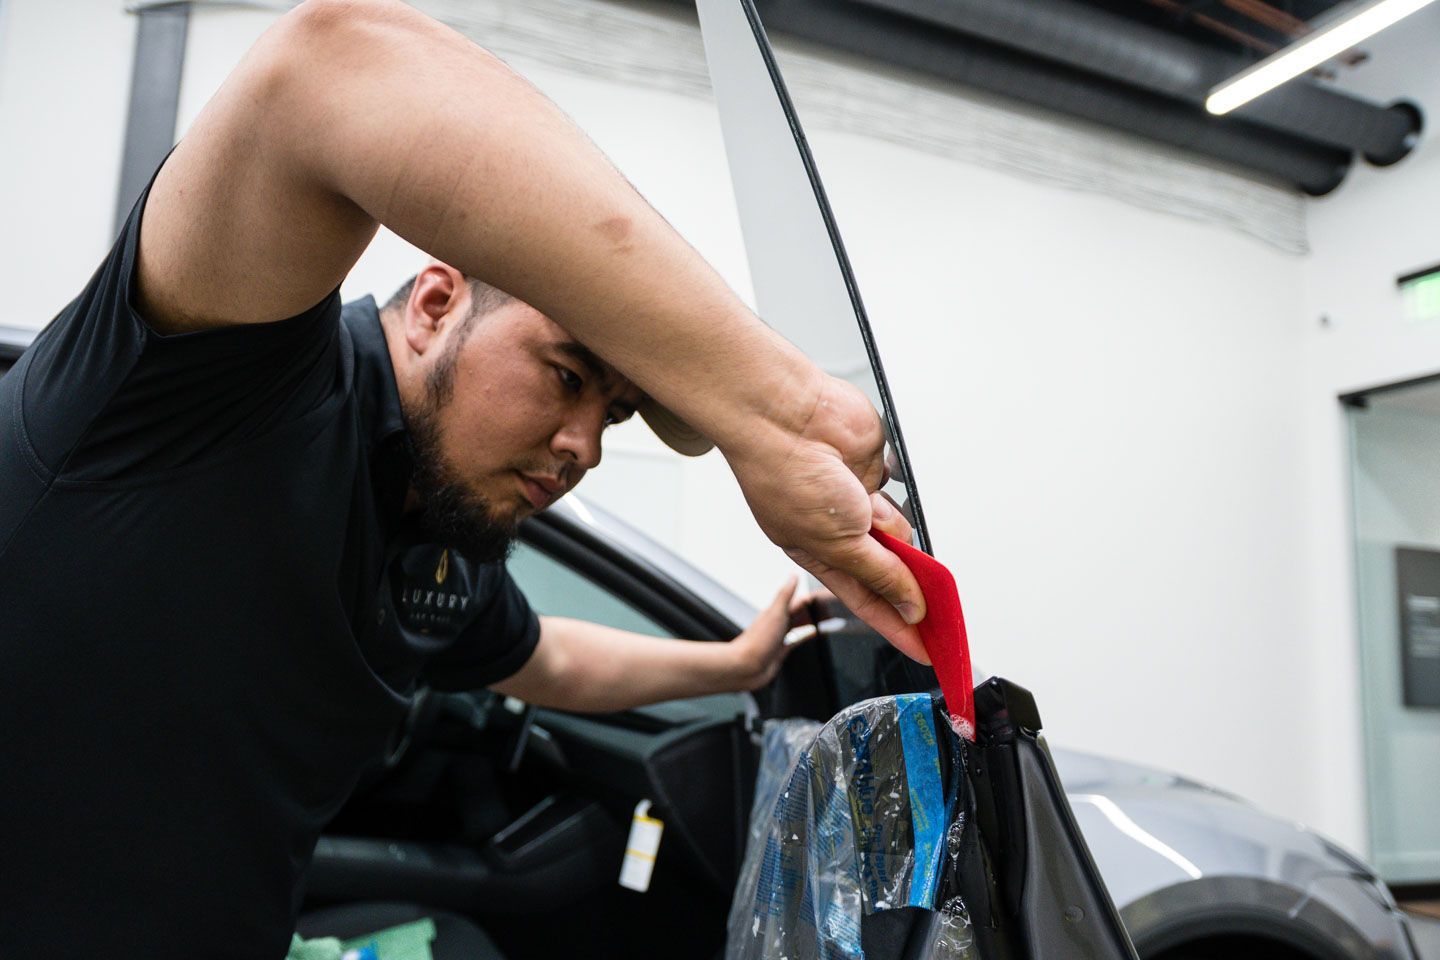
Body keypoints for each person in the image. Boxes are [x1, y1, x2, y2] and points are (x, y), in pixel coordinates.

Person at [0, 1, 926, 957]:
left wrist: (737, 663)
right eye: (565, 377)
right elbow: (328, 69)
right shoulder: (231, 379)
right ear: (435, 304)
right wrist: (778, 410)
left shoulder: (439, 531)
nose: (584, 447)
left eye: (609, 415)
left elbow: (547, 661)